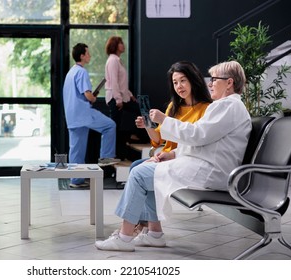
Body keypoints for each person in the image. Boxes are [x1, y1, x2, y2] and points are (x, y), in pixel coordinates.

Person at [95, 61, 252, 251]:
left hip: (211, 171)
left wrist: (163, 120)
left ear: (229, 83)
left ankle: (124, 237)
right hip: (207, 165)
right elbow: (203, 141)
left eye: (214, 80)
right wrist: (171, 154)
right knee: (147, 173)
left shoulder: (228, 106)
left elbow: (197, 135)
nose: (210, 83)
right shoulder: (226, 106)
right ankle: (154, 234)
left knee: (139, 174)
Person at [130, 61, 213, 234]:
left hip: (184, 160)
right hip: (165, 157)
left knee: (140, 170)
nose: (179, 86)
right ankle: (145, 225)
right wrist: (147, 125)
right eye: (175, 82)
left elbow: (197, 141)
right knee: (135, 166)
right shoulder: (173, 107)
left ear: (193, 80)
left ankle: (141, 225)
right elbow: (158, 139)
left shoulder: (206, 109)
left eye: (183, 80)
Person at [63, 43, 118, 188]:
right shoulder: (81, 72)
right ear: (82, 56)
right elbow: (87, 95)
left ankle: (76, 180)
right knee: (110, 126)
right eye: (88, 53)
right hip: (83, 113)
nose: (90, 56)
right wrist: (93, 98)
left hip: (72, 116)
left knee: (76, 149)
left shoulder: (70, 73)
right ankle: (106, 158)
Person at [104, 36, 143, 160]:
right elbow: (114, 82)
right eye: (120, 43)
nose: (123, 44)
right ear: (115, 45)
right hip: (115, 99)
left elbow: (122, 82)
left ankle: (136, 136)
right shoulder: (113, 60)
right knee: (115, 127)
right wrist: (118, 100)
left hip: (122, 97)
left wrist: (130, 95)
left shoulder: (117, 60)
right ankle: (115, 155)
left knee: (139, 110)